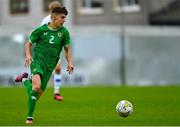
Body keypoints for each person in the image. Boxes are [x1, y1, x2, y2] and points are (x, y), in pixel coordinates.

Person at [15, 7, 73, 124]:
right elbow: (28, 44)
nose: (64, 20)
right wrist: (28, 56)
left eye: (65, 17)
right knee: (36, 87)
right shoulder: (41, 30)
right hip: (38, 61)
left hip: (49, 66)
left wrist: (69, 63)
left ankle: (25, 79)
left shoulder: (64, 33)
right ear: (54, 17)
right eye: (62, 17)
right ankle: (29, 118)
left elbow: (67, 50)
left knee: (35, 95)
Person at [41, 1, 64, 101]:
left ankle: (56, 92)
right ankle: (27, 80)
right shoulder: (46, 21)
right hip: (45, 50)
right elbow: (40, 34)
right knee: (42, 72)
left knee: (58, 69)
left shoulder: (60, 21)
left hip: (54, 50)